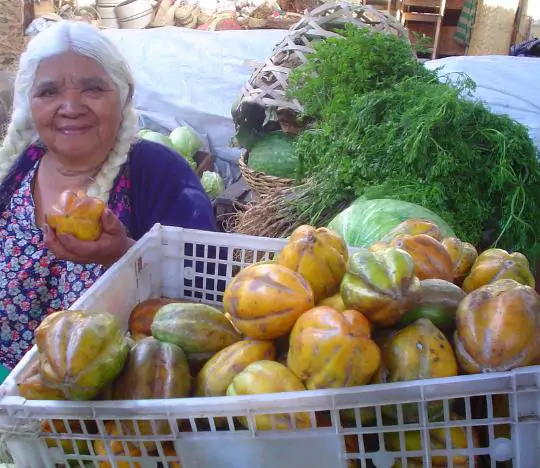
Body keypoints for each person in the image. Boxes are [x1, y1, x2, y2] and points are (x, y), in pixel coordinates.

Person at [0, 20, 217, 372]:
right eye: (49, 92)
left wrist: (126, 255)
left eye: (93, 89)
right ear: (29, 102)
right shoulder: (16, 170)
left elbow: (207, 292)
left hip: (107, 405)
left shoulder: (158, 172)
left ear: (125, 95)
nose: (70, 106)